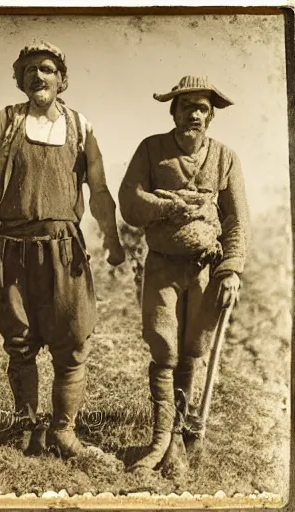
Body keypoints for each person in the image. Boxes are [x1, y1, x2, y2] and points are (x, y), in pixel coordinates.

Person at [0, 41, 125, 458]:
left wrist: (111, 238)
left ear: (62, 79)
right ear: (19, 80)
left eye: (48, 68)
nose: (38, 76)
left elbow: (100, 189)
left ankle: (64, 431)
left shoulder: (80, 126)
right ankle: (28, 428)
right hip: (14, 249)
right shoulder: (3, 124)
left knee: (72, 342)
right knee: (19, 343)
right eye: (30, 70)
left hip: (65, 252)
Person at [118, 75, 250, 470]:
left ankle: (178, 439)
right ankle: (159, 441)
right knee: (164, 348)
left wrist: (231, 270)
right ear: (173, 111)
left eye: (202, 108)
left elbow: (237, 221)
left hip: (207, 271)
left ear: (210, 116)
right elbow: (129, 202)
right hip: (161, 265)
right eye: (186, 105)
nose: (194, 113)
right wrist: (168, 206)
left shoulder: (225, 158)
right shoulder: (151, 150)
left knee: (193, 350)